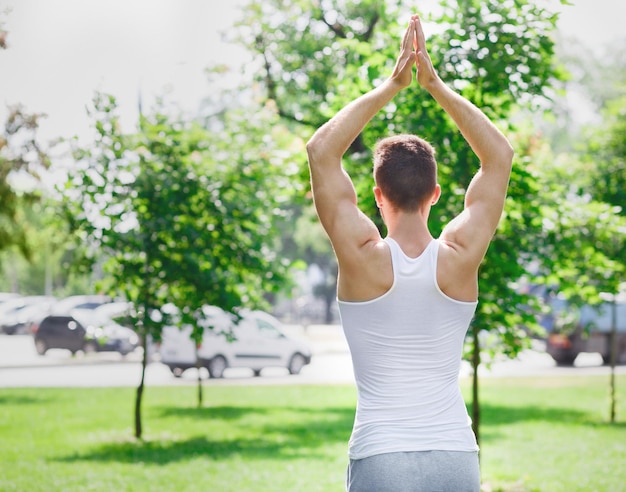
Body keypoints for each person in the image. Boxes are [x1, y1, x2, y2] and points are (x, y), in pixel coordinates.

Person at [305, 14, 514, 492]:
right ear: (436, 193)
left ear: (377, 194)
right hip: (454, 456)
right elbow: (499, 156)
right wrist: (434, 84)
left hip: (381, 456)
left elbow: (321, 151)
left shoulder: (362, 257)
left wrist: (392, 85)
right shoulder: (460, 255)